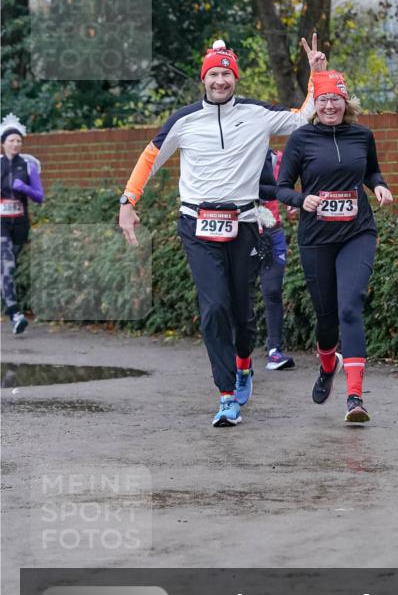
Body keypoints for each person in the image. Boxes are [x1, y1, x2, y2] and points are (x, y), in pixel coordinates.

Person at [118, 36, 327, 427]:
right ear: (204, 78)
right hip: (196, 225)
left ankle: (244, 365)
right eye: (213, 74)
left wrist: (317, 75)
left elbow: (302, 117)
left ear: (235, 78)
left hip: (244, 224)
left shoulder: (257, 113)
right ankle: (227, 395)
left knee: (242, 312)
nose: (220, 81)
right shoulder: (184, 120)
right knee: (214, 307)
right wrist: (128, 201)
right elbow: (150, 158)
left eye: (226, 75)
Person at [276, 70, 393, 424]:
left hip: (357, 232)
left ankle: (355, 398)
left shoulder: (362, 135)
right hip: (316, 238)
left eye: (336, 99)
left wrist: (380, 186)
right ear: (316, 105)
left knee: (350, 307)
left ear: (346, 102)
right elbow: (281, 187)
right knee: (326, 318)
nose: (330, 105)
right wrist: (302, 199)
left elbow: (371, 172)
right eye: (323, 99)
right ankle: (328, 364)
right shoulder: (301, 139)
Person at [1, 114, 45, 335]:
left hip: (20, 224)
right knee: (6, 265)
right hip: (1, 223)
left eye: (19, 140)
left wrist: (24, 188)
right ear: (3, 143)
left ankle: (11, 309)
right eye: (11, 140)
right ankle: (15, 314)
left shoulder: (29, 165)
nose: (16, 144)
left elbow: (40, 197)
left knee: (8, 269)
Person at [259, 148, 296, 371]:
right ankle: (236, 352)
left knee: (272, 291)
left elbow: (287, 184)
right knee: (240, 294)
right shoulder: (233, 154)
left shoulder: (276, 158)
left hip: (272, 233)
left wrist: (292, 199)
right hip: (242, 234)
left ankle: (274, 351)